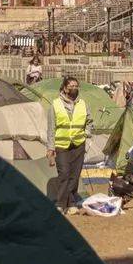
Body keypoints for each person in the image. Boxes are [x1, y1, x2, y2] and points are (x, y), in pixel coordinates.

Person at [46, 76, 91, 212]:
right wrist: (50, 148)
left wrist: (86, 134)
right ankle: (60, 204)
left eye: (76, 86)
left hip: (78, 144)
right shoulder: (55, 104)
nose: (74, 88)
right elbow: (51, 128)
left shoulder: (83, 103)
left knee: (75, 175)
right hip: (62, 145)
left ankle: (71, 203)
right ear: (65, 88)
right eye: (71, 86)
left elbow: (89, 121)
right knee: (64, 173)